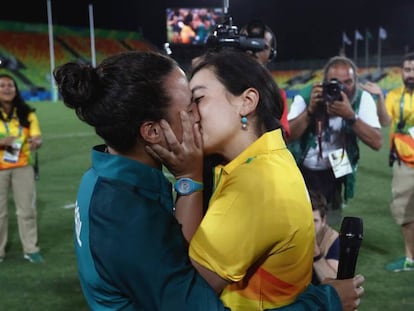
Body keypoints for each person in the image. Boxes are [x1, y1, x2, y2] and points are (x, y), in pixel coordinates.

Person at [148, 49, 364, 311]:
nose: (189, 114)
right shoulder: (263, 161)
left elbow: (181, 299)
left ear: (247, 101)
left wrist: (187, 179)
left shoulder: (254, 186)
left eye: (198, 99)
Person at [288, 56, 382, 224]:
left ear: (356, 82)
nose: (341, 88)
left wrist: (350, 116)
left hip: (338, 165)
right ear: (324, 82)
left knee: (331, 219)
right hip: (305, 164)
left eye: (348, 82)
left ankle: (328, 244)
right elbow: (288, 136)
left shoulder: (362, 99)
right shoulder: (308, 95)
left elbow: (376, 142)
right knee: (301, 219)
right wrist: (310, 111)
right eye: (334, 82)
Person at [0, 74, 43, 263]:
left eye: (11, 85)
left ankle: (31, 249)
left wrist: (37, 141)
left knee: (27, 210)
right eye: (2, 85)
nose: (7, 88)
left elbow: (36, 137)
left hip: (23, 166)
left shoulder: (27, 113)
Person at [384, 52, 414, 272]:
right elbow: (384, 120)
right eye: (407, 70)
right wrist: (377, 98)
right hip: (404, 163)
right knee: (406, 214)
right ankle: (410, 259)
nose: (410, 74)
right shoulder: (394, 96)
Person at [240, 19, 291, 139]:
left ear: (271, 54)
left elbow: (281, 137)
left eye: (261, 46)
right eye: (249, 43)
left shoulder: (276, 95)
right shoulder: (222, 83)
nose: (253, 50)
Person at [310, 191, 339, 284]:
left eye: (314, 221)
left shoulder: (330, 238)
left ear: (323, 221)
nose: (309, 226)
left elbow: (333, 283)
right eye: (305, 219)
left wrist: (316, 255)